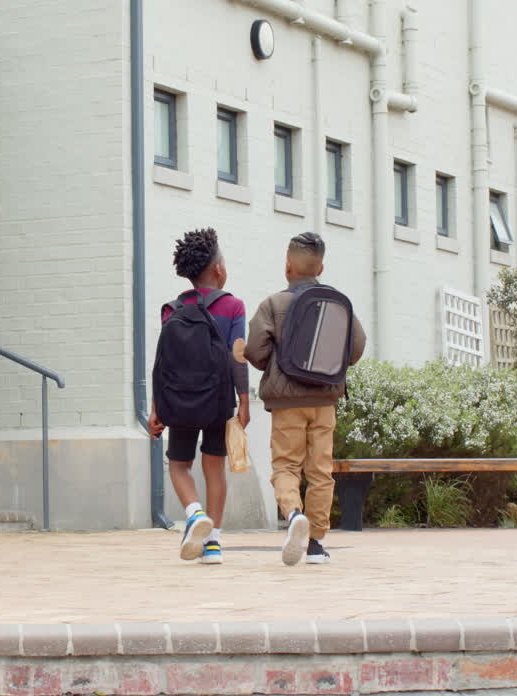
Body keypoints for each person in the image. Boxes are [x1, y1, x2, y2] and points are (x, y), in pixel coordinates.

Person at [245, 232, 366, 566]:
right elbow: (355, 348)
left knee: (286, 465)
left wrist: (275, 364)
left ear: (287, 266)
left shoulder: (272, 304)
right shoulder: (339, 303)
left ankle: (294, 513)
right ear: (321, 267)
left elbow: (255, 351)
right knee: (320, 471)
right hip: (325, 401)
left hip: (287, 403)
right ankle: (315, 543)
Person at [148, 228, 250, 565]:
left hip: (179, 400)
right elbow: (238, 355)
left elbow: (163, 362)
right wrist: (244, 400)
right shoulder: (233, 306)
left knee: (179, 466)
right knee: (214, 468)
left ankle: (193, 513)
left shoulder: (171, 309)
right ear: (219, 269)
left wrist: (156, 408)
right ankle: (214, 543)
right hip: (218, 402)